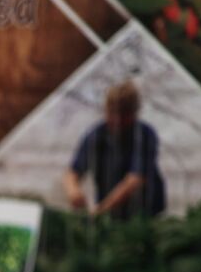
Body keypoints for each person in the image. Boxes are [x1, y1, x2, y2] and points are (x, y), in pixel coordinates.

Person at [63, 81, 166, 219]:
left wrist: (102, 209)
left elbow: (134, 180)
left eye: (122, 115)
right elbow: (73, 172)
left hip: (145, 214)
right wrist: (73, 191)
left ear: (133, 113)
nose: (115, 120)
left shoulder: (144, 135)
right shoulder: (96, 135)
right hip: (109, 214)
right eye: (111, 113)